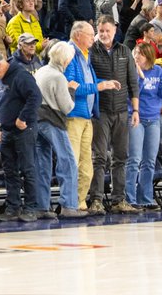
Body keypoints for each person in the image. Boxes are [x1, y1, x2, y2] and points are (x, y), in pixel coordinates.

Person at [63, 21, 121, 214]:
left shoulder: (85, 54)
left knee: (86, 164)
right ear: (78, 35)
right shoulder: (70, 53)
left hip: (87, 116)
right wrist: (98, 87)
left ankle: (79, 202)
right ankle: (69, 203)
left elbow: (89, 81)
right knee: (72, 161)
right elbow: (71, 87)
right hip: (73, 116)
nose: (93, 38)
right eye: (90, 34)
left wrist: (105, 82)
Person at [89, 16, 139, 214]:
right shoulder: (91, 51)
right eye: (100, 31)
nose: (104, 34)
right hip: (99, 112)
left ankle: (119, 200)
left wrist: (135, 110)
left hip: (121, 112)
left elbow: (133, 83)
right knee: (99, 157)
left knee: (121, 157)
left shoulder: (124, 51)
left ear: (115, 30)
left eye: (107, 30)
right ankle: (96, 200)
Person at [0, 49, 40, 222]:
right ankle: (13, 207)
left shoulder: (21, 75)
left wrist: (23, 117)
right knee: (10, 171)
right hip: (7, 131)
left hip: (23, 130)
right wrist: (0, 128)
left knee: (27, 169)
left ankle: (31, 208)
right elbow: (2, 104)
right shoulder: (0, 80)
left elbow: (35, 97)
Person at [31, 41, 84, 218]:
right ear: (65, 60)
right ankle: (69, 205)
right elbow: (67, 107)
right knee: (67, 162)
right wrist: (71, 90)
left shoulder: (41, 70)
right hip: (53, 121)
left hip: (37, 120)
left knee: (42, 164)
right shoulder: (58, 77)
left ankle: (42, 207)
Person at [125, 43, 162, 209]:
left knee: (149, 161)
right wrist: (140, 78)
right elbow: (132, 94)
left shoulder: (158, 71)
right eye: (135, 53)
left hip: (153, 119)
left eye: (140, 54)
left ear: (149, 56)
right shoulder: (130, 71)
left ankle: (146, 198)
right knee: (134, 159)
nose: (136, 57)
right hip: (135, 118)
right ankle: (130, 199)